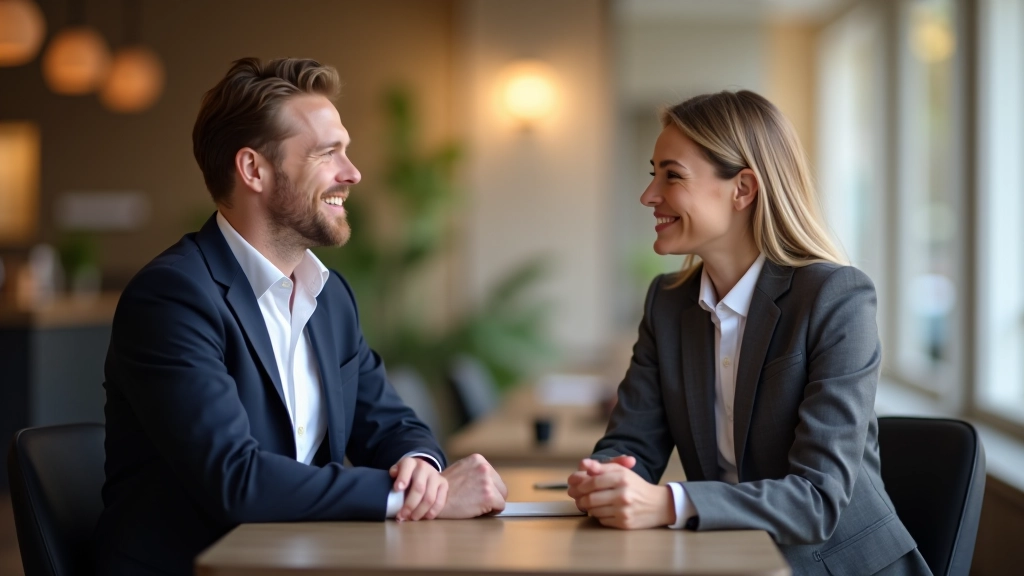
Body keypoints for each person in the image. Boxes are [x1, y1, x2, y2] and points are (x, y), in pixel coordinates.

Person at [95, 57, 507, 576]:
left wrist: (423, 471)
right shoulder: (173, 296)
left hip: (302, 562)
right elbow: (235, 479)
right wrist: (408, 499)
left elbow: (392, 425)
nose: (352, 173)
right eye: (327, 153)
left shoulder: (329, 297)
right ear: (254, 170)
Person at [567, 91, 931, 575]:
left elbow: (816, 500)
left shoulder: (837, 298)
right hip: (729, 558)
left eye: (671, 175)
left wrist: (668, 504)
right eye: (652, 173)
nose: (649, 195)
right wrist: (608, 477)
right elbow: (632, 443)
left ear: (743, 189)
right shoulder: (668, 304)